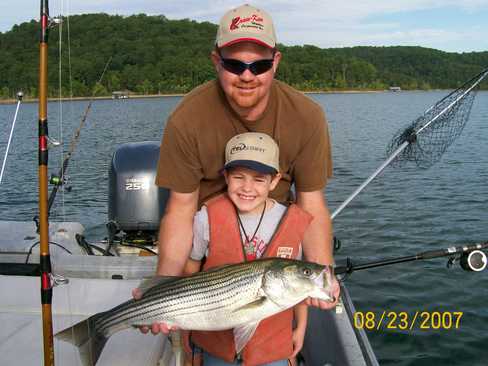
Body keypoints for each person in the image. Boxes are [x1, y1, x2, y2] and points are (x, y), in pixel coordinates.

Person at [138, 2, 339, 334]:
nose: (247, 76)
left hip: (275, 255)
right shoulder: (186, 120)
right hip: (207, 260)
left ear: (275, 62)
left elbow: (311, 204)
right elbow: (180, 210)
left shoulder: (308, 117)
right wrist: (163, 288)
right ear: (216, 62)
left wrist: (324, 276)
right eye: (234, 64)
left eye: (259, 65)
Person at [184, 132, 313, 365]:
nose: (247, 187)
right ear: (226, 176)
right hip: (216, 346)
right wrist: (185, 332)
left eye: (259, 179)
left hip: (272, 347)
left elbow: (300, 287)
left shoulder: (291, 221)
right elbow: (192, 266)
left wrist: (301, 327)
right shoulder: (206, 217)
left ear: (274, 181)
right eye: (238, 177)